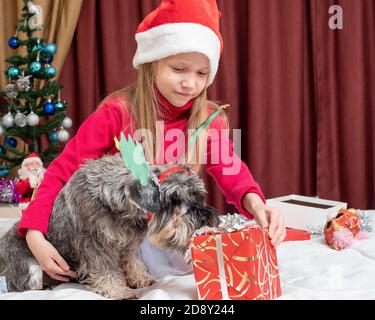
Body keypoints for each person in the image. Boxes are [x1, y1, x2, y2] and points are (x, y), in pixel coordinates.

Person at [18, 0, 286, 283]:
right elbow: (63, 170)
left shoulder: (208, 119)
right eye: (178, 69)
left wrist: (257, 205)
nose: (190, 84)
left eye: (201, 73)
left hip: (168, 238)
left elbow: (232, 170)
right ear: (151, 63)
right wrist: (34, 232)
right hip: (116, 240)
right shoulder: (117, 112)